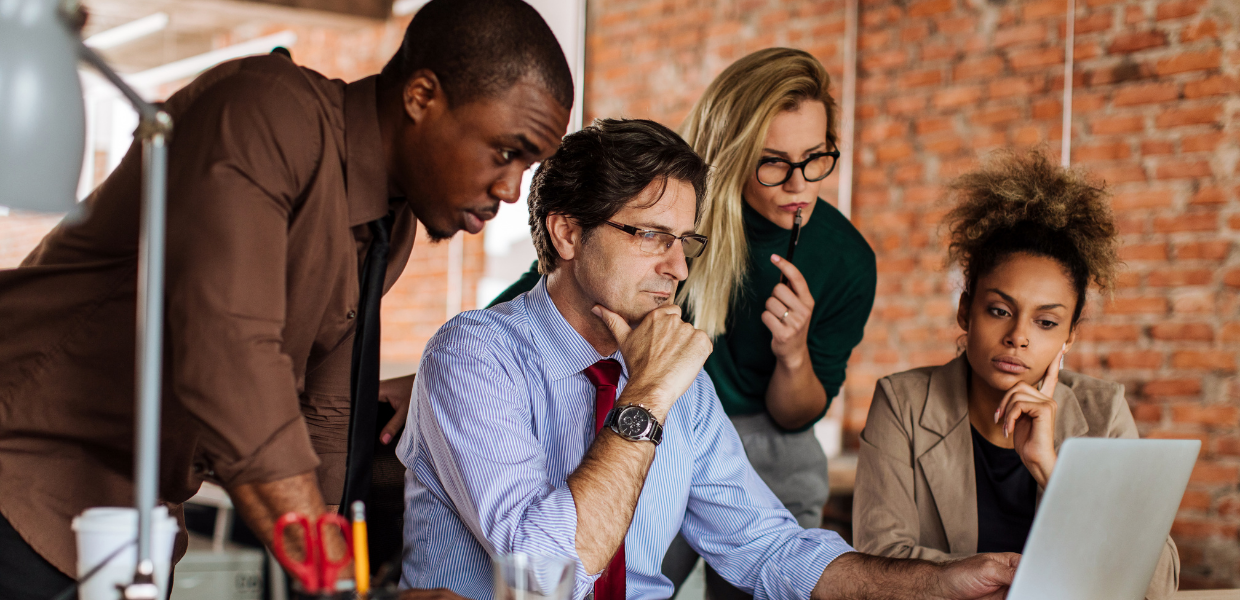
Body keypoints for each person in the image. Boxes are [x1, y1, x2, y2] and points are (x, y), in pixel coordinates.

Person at [0, 0, 571, 597]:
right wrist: (334, 575)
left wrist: (345, 586)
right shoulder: (264, 113)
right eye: (506, 152)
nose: (512, 189)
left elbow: (325, 416)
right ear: (421, 96)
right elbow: (230, 355)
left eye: (529, 165)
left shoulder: (389, 223)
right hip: (25, 476)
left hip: (135, 522)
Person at [397, 118, 1016, 600]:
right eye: (650, 235)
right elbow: (543, 572)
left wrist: (939, 583)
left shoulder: (680, 384)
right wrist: (647, 396)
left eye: (685, 241)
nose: (678, 267)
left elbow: (768, 548)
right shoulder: (475, 355)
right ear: (567, 233)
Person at [487, 48, 876, 599]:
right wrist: (456, 365)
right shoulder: (674, 211)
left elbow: (798, 415)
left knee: (777, 564)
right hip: (660, 411)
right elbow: (557, 278)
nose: (798, 185)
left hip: (762, 433)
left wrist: (793, 353)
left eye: (815, 158)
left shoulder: (846, 260)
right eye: (773, 162)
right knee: (618, 569)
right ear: (732, 153)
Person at [851, 150, 1179, 599]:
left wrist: (1052, 470)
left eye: (1046, 322)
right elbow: (879, 562)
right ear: (966, 310)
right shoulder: (903, 403)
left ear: (1069, 337)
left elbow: (1157, 584)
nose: (1018, 337)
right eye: (1000, 310)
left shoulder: (1103, 412)